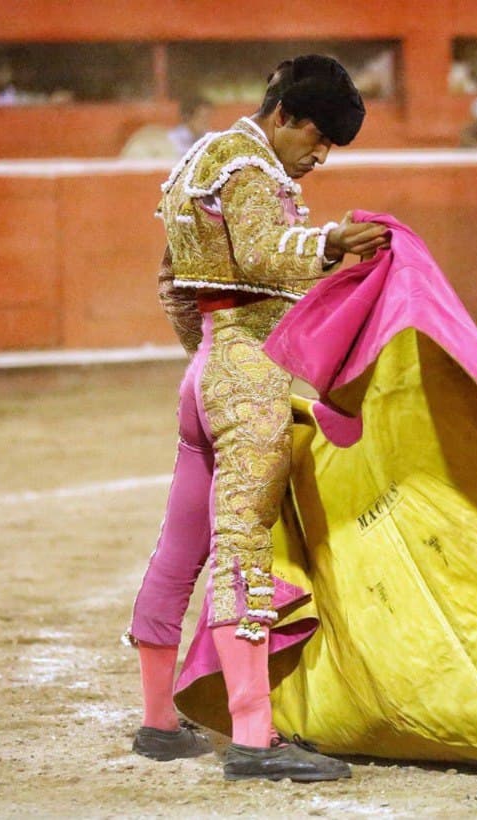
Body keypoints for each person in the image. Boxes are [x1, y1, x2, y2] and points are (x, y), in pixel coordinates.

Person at [125, 54, 390, 782]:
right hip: (246, 377)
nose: (320, 155)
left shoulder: (200, 161)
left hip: (208, 372)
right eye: (317, 137)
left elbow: (171, 283)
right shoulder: (250, 169)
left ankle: (157, 722)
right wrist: (330, 244)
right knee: (242, 549)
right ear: (284, 116)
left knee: (180, 550)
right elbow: (267, 253)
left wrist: (206, 362)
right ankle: (252, 738)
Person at [120, 97, 214, 160]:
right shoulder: (166, 140)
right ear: (187, 117)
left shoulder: (209, 138)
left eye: (208, 117)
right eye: (202, 118)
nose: (205, 122)